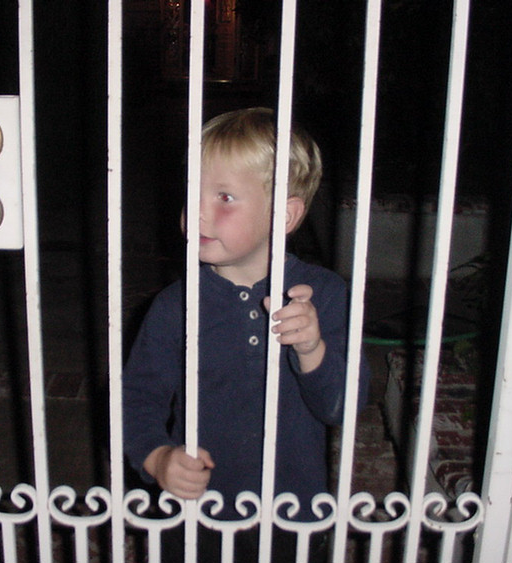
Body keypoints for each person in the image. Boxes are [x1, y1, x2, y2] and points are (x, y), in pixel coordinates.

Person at [123, 107, 370, 562]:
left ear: (284, 215)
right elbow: (135, 398)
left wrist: (312, 349)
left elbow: (343, 406)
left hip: (293, 513)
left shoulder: (326, 296)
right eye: (192, 191)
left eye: (224, 197)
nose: (197, 211)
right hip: (199, 512)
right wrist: (157, 458)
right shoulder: (174, 306)